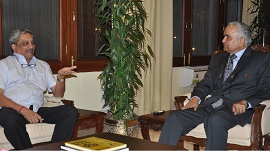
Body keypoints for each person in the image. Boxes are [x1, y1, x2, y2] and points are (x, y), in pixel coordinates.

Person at [158, 21, 270, 150]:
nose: (223, 40)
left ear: (241, 41)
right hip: (211, 104)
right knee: (175, 117)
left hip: (235, 109)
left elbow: (266, 89)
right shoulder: (219, 58)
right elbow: (205, 84)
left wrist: (246, 102)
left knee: (215, 119)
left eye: (228, 37)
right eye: (224, 36)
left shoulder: (262, 59)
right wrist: (196, 98)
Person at [0, 29, 78, 150]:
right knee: (11, 120)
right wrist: (23, 110)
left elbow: (58, 94)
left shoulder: (43, 65)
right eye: (25, 43)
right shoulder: (4, 65)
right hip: (13, 110)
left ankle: (54, 149)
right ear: (14, 47)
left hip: (37, 110)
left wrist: (61, 78)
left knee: (70, 111)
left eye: (32, 42)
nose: (31, 46)